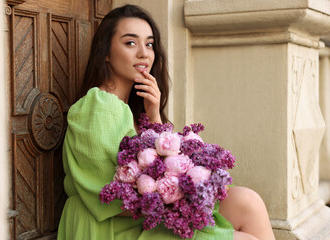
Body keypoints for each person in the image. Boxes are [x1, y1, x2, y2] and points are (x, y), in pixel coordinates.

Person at [57, 4, 275, 240]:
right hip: (112, 227)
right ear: (106, 53)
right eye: (130, 43)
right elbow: (111, 197)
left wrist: (154, 117)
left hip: (145, 218)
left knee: (248, 203)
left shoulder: (130, 109)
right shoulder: (99, 105)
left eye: (149, 44)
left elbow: (157, 169)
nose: (144, 53)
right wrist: (186, 196)